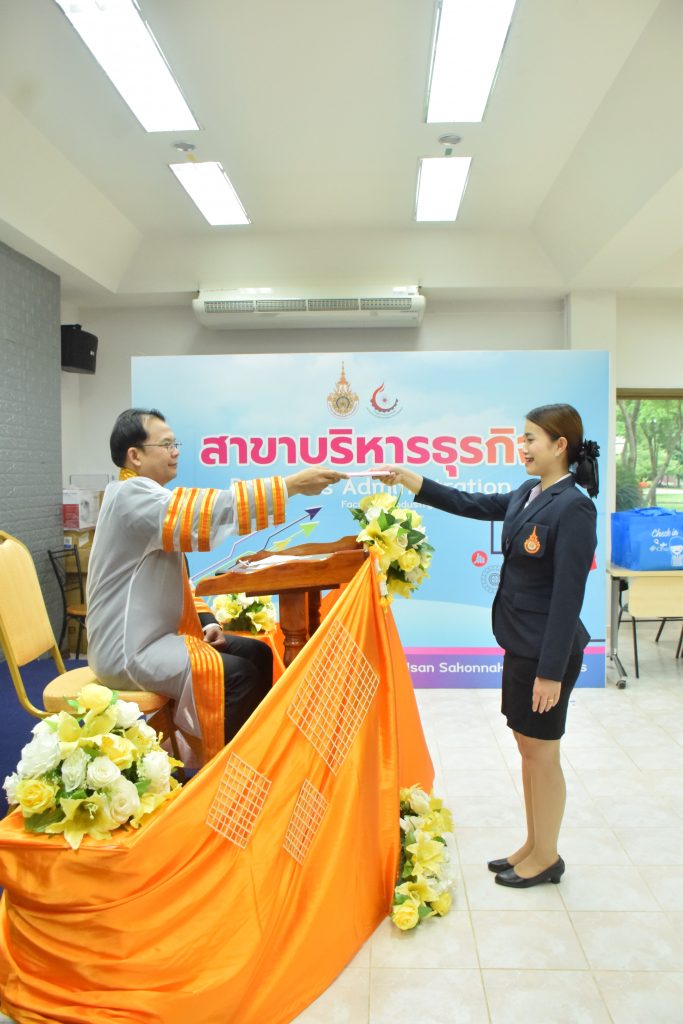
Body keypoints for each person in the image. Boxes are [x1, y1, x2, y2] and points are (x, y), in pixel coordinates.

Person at [378, 404, 599, 888]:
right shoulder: (527, 493)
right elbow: (471, 503)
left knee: (543, 753)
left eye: (531, 438)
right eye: (522, 438)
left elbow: (569, 597)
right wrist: (414, 481)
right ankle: (534, 844)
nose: (523, 447)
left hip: (547, 652)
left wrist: (550, 672)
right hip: (520, 643)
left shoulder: (574, 507)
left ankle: (547, 856)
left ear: (560, 445)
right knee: (527, 746)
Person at [86, 408, 346, 761]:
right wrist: (292, 486)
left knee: (258, 654)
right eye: (166, 444)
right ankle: (222, 773)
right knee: (238, 675)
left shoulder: (143, 497)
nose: (175, 451)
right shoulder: (131, 496)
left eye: (175, 444)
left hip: (157, 637)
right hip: (129, 650)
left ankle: (254, 757)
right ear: (135, 455)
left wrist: (207, 621)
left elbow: (180, 581)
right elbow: (206, 511)